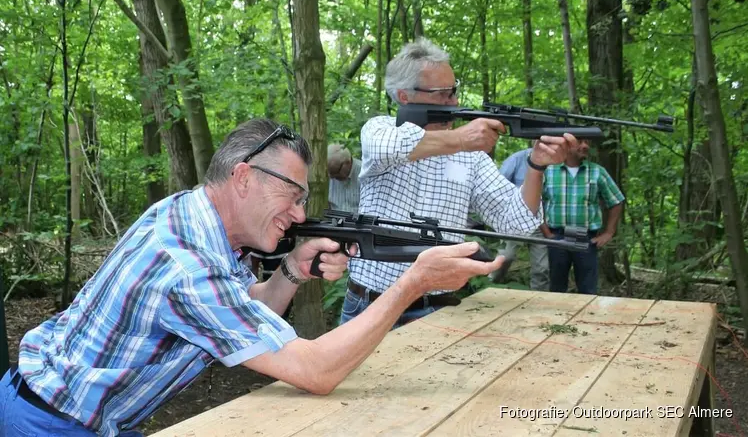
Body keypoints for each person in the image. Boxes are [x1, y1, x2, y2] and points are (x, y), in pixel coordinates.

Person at [0, 118, 505, 437]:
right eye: (294, 194)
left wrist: (290, 270)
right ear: (243, 177)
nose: (301, 212)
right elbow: (316, 372)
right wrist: (410, 284)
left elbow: (241, 309)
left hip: (77, 410)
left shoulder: (194, 216)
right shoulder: (185, 261)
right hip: (49, 422)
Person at [340, 37, 576, 327]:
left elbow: (516, 221)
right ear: (404, 96)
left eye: (455, 91)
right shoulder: (380, 129)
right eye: (444, 93)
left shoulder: (471, 158)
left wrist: (537, 165)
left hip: (440, 309)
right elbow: (388, 147)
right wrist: (463, 138)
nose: (454, 101)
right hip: (371, 305)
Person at [540, 139, 625, 295]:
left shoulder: (597, 171)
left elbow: (617, 200)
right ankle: (555, 318)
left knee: (588, 288)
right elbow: (534, 202)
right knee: (556, 287)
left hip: (586, 237)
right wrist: (547, 233)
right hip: (557, 236)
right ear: (566, 145)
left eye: (587, 142)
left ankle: (586, 318)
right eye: (579, 142)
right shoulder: (549, 171)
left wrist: (609, 232)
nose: (585, 146)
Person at [488, 145, 550, 291]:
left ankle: (539, 298)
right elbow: (497, 185)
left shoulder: (556, 163)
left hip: (540, 223)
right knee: (505, 258)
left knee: (542, 268)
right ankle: (488, 288)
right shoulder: (516, 159)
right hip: (515, 222)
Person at [327, 143, 361, 213]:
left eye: (335, 172)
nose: (332, 177)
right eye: (330, 173)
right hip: (333, 221)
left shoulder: (364, 173)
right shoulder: (328, 177)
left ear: (347, 162)